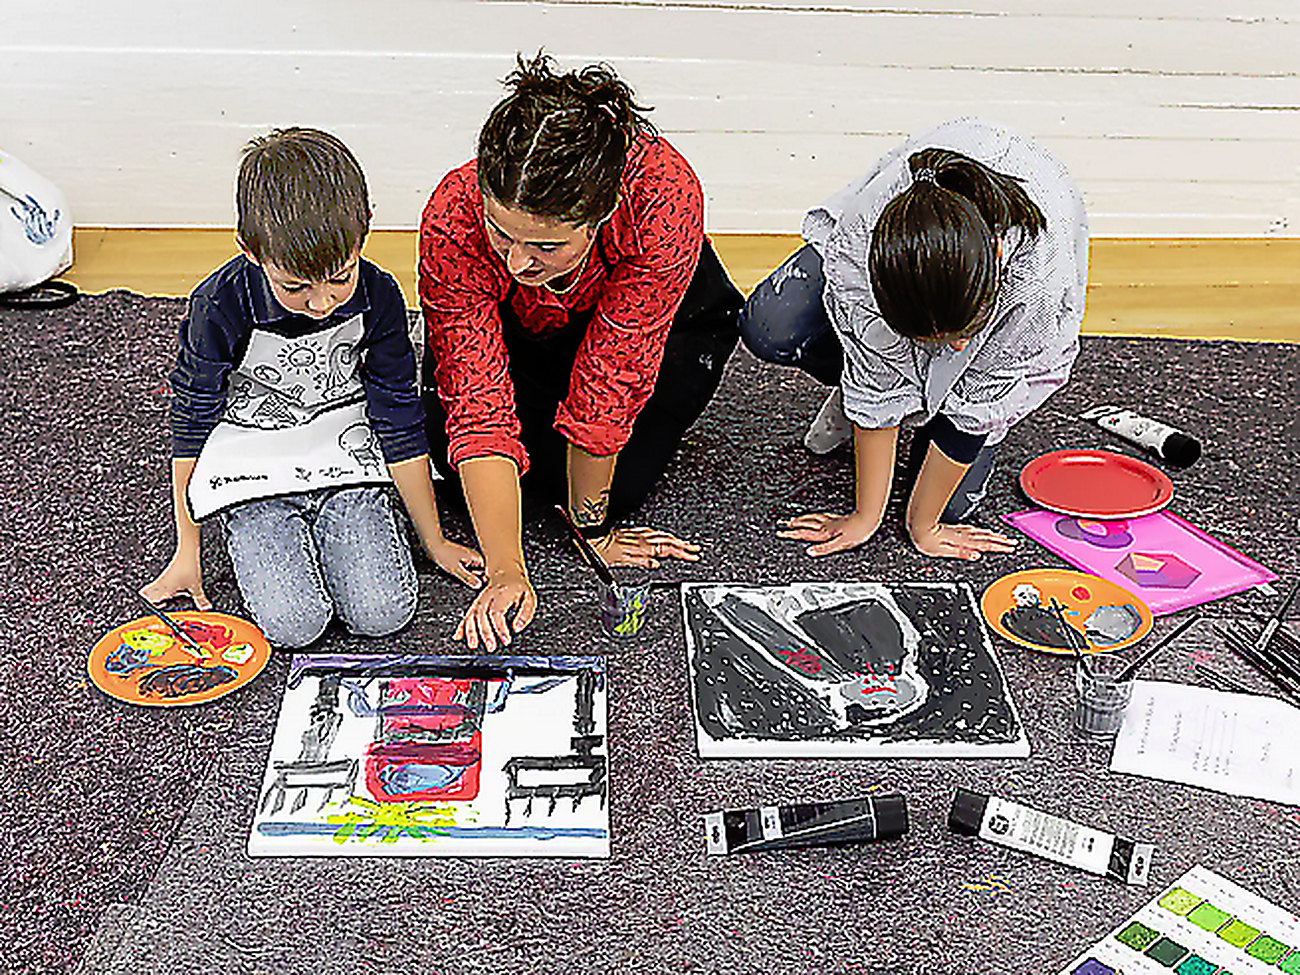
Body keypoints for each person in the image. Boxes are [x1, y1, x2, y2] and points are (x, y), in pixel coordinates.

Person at [420, 53, 743, 650]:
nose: (517, 262)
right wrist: (506, 570)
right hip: (526, 329)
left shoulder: (664, 198)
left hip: (656, 323)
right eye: (501, 232)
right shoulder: (452, 215)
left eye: (545, 245)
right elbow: (476, 398)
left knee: (605, 493)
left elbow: (611, 381)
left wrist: (592, 530)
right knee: (456, 446)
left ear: (600, 215)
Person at [142, 127, 483, 647]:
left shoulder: (379, 295)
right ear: (251, 250)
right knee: (294, 625)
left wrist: (433, 540)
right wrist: (187, 548)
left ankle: (353, 519)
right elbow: (191, 421)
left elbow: (398, 415)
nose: (322, 304)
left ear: (365, 228)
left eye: (341, 277)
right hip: (256, 472)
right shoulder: (219, 304)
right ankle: (259, 523)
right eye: (295, 286)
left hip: (346, 462)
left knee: (382, 613)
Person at [740, 117, 1088, 561]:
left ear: (998, 256)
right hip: (893, 253)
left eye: (966, 331)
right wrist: (864, 517)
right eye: (925, 336)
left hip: (1026, 265)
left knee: (951, 506)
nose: (955, 347)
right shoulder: (862, 248)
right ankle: (883, 396)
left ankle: (920, 406)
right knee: (775, 326)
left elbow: (980, 402)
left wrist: (925, 527)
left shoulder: (1036, 281)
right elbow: (874, 368)